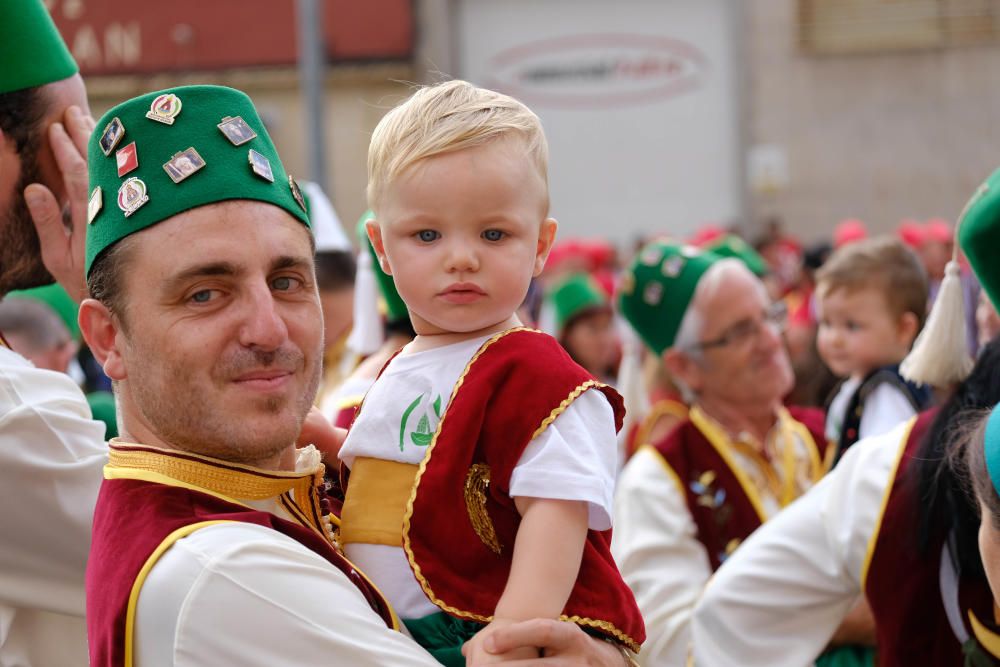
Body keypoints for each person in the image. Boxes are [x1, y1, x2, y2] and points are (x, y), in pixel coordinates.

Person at [80, 83, 633, 667]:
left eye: (288, 281)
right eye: (205, 294)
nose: (268, 330)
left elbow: (425, 481)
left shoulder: (238, 491)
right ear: (108, 339)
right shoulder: (224, 573)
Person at [338, 79, 644, 665]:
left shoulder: (539, 377)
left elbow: (555, 511)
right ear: (381, 246)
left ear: (540, 246)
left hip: (472, 628)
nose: (461, 256)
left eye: (494, 233)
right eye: (426, 234)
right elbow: (393, 475)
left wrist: (511, 637)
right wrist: (328, 447)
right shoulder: (400, 366)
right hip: (393, 633)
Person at [691, 168, 1000, 667]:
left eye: (852, 325)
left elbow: (734, 610)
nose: (773, 342)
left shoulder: (898, 454)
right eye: (827, 322)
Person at [612, 240, 832, 666]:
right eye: (740, 332)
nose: (771, 340)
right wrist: (835, 617)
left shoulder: (827, 435)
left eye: (769, 315)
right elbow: (674, 646)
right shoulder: (656, 481)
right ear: (684, 367)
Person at [0, 2, 109, 664]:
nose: (86, 180)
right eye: (67, 137)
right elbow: (209, 557)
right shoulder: (14, 415)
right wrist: (123, 294)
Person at [814, 236, 931, 462]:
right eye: (826, 323)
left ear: (903, 329)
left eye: (852, 326)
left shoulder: (886, 396)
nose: (834, 339)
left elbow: (881, 472)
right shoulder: (863, 384)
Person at [546, 272, 619, 383]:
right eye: (592, 328)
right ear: (567, 335)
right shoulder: (561, 393)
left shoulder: (621, 382)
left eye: (607, 326)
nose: (604, 338)